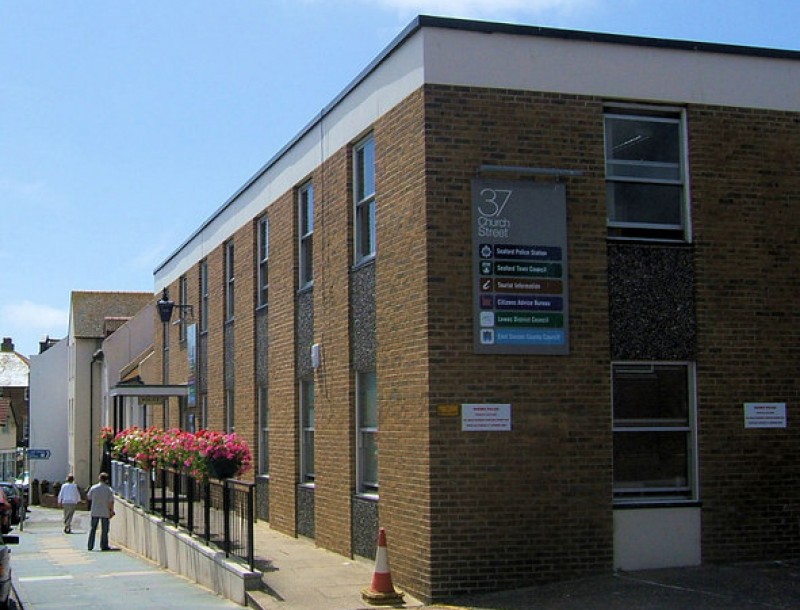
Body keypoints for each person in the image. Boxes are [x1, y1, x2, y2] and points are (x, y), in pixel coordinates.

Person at [86, 472, 115, 551]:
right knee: (105, 530)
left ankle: (90, 545)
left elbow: (89, 497)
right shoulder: (109, 489)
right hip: (105, 511)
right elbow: (111, 501)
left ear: (99, 478)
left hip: (95, 510)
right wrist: (111, 511)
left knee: (93, 528)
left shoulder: (94, 488)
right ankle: (104, 545)